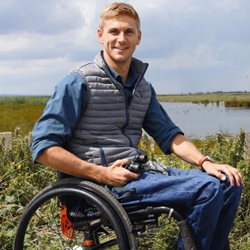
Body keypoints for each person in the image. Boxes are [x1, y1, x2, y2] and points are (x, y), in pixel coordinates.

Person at [31, 2, 243, 250]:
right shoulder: (77, 83)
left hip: (139, 175)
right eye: (114, 31)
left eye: (129, 32)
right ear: (100, 36)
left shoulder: (143, 87)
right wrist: (102, 173)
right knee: (206, 188)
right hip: (100, 186)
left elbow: (169, 134)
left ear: (139, 37)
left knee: (228, 182)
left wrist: (206, 162)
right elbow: (43, 148)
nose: (121, 39)